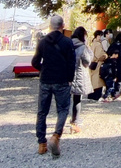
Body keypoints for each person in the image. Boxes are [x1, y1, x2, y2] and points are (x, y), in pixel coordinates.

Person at [31, 15, 75, 158]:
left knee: (42, 112)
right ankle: (56, 136)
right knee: (62, 110)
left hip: (45, 79)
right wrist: (70, 78)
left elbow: (35, 61)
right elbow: (71, 63)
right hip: (61, 80)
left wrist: (43, 68)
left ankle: (41, 144)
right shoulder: (67, 42)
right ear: (62, 26)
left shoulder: (42, 42)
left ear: (50, 26)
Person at [69, 26, 93, 134]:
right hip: (78, 76)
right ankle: (75, 121)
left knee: (65, 100)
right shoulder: (83, 47)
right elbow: (86, 62)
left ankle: (62, 122)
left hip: (66, 75)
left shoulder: (67, 44)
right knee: (77, 100)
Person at [102, 31, 121, 102]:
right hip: (119, 63)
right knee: (119, 78)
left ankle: (109, 93)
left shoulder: (112, 45)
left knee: (111, 78)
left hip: (111, 64)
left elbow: (107, 53)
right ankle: (115, 92)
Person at [88, 30, 107, 101]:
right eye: (101, 35)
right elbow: (100, 55)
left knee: (92, 80)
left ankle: (91, 95)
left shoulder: (93, 43)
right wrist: (106, 55)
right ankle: (96, 95)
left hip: (92, 63)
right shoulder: (98, 44)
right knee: (98, 81)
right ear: (98, 35)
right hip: (98, 64)